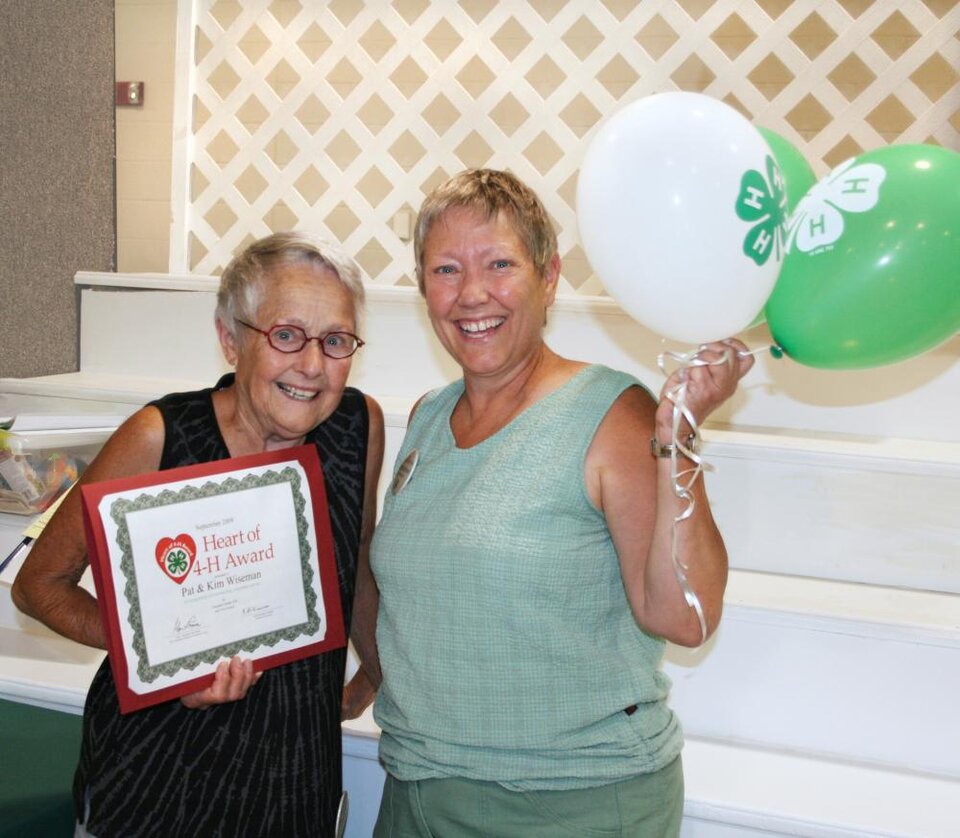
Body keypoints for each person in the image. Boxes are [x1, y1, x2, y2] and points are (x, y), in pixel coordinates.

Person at [365, 169, 754, 837]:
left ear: (548, 276)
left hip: (572, 803)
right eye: (446, 269)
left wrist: (678, 438)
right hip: (417, 791)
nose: (472, 294)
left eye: (500, 264)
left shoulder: (611, 412)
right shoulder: (427, 416)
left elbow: (685, 617)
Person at [12, 232, 384, 837]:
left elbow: (358, 559)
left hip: (292, 785)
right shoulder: (160, 436)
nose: (313, 366)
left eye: (336, 341)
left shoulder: (356, 426)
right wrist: (162, 659)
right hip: (156, 779)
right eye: (286, 335)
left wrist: (373, 672)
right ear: (229, 338)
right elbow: (38, 586)